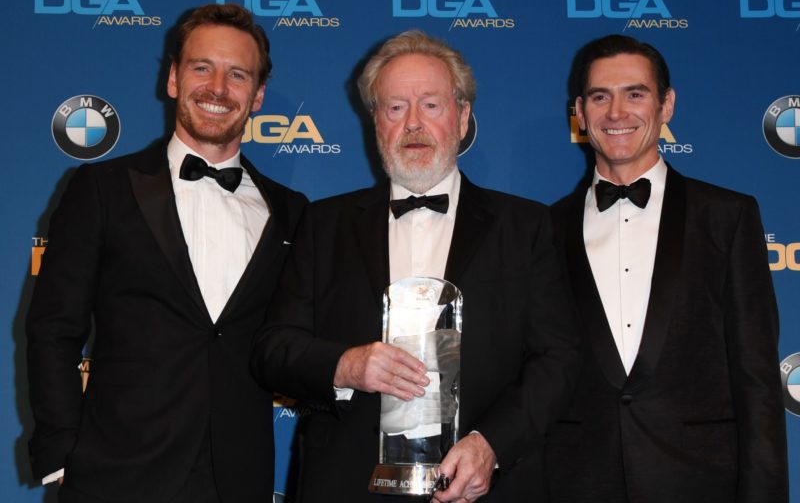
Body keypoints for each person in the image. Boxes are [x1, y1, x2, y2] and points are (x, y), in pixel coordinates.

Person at [251, 30, 581, 503]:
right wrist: (346, 366)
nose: (412, 124)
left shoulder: (524, 226)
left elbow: (558, 359)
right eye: (395, 107)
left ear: (463, 117)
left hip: (484, 488)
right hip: (347, 485)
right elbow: (273, 349)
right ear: (375, 121)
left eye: (431, 105)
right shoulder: (323, 223)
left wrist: (490, 446)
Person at [26, 3, 307, 503]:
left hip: (239, 477)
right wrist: (61, 453)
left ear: (257, 95)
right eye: (202, 67)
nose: (218, 88)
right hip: (115, 474)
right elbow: (54, 328)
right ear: (174, 78)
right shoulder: (102, 188)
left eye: (237, 74)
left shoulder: (293, 212)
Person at [547, 34, 788, 503]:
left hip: (701, 483)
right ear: (579, 111)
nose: (616, 113)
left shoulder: (727, 216)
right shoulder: (544, 229)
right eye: (600, 96)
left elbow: (756, 379)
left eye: (635, 94)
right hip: (577, 483)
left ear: (667, 105)